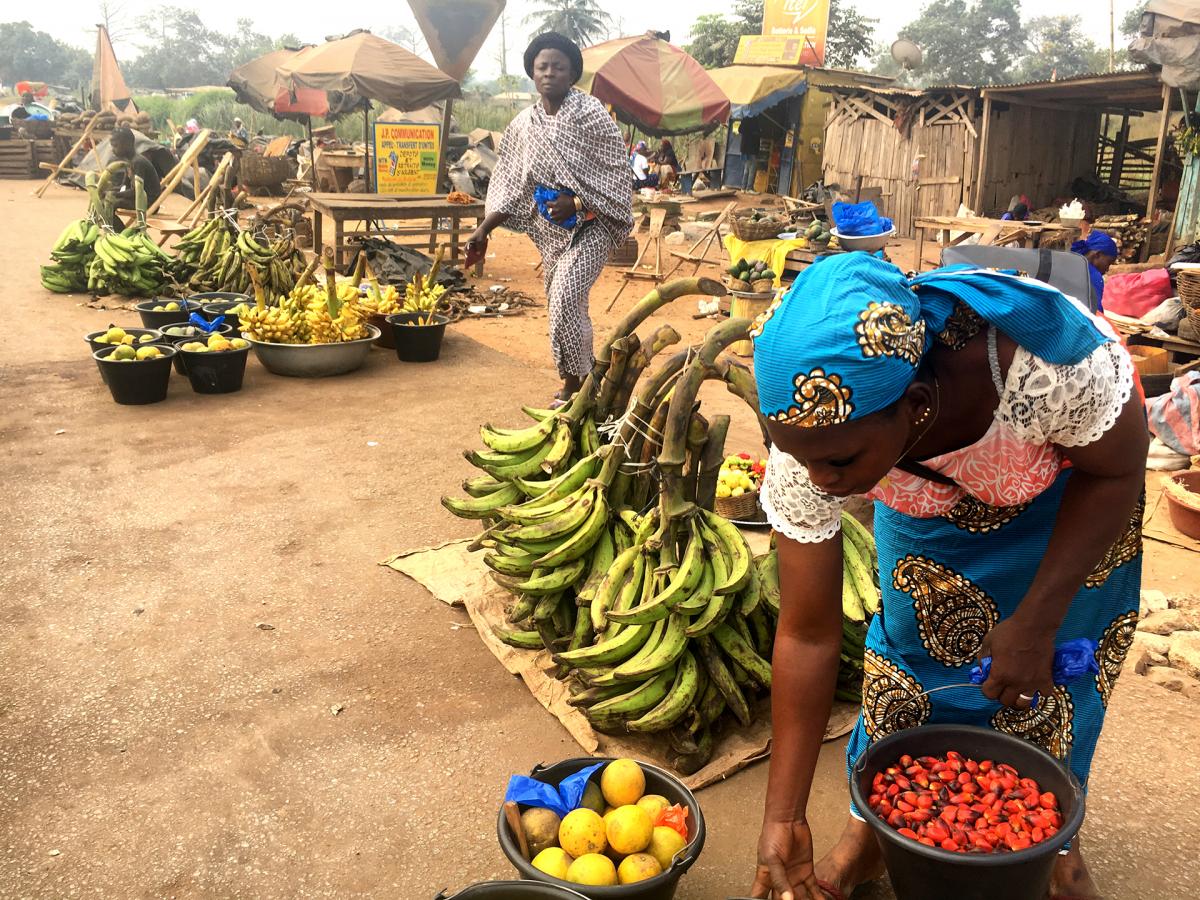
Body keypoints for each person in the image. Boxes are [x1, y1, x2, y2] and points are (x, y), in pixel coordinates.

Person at [748, 252, 1146, 900]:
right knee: (909, 659)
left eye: (839, 462)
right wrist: (783, 816)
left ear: (918, 405)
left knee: (1047, 683)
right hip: (919, 498)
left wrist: (1039, 619)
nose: (819, 482)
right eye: (800, 459)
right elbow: (808, 635)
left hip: (1072, 494)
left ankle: (1057, 849)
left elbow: (1119, 468)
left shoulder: (1044, 364)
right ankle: (871, 835)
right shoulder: (817, 425)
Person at [466, 32, 633, 405]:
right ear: (532, 72)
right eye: (542, 66)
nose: (549, 73)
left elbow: (616, 177)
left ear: (572, 72)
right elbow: (511, 182)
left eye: (559, 66)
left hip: (594, 226)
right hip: (550, 232)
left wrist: (576, 202)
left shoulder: (592, 115)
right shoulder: (524, 124)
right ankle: (578, 376)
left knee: (566, 295)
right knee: (559, 305)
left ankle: (580, 385)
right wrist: (482, 230)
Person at [109, 126, 162, 212]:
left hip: (149, 203)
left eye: (115, 145)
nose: (113, 150)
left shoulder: (138, 162)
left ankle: (118, 226)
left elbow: (136, 191)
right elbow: (124, 185)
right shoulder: (129, 162)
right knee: (107, 201)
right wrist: (109, 191)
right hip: (138, 199)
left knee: (112, 204)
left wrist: (116, 195)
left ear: (127, 144)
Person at [1071, 230, 1119, 313]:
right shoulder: (1092, 275)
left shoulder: (1069, 261)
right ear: (1098, 255)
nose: (1107, 269)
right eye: (1108, 263)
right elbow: (1096, 314)